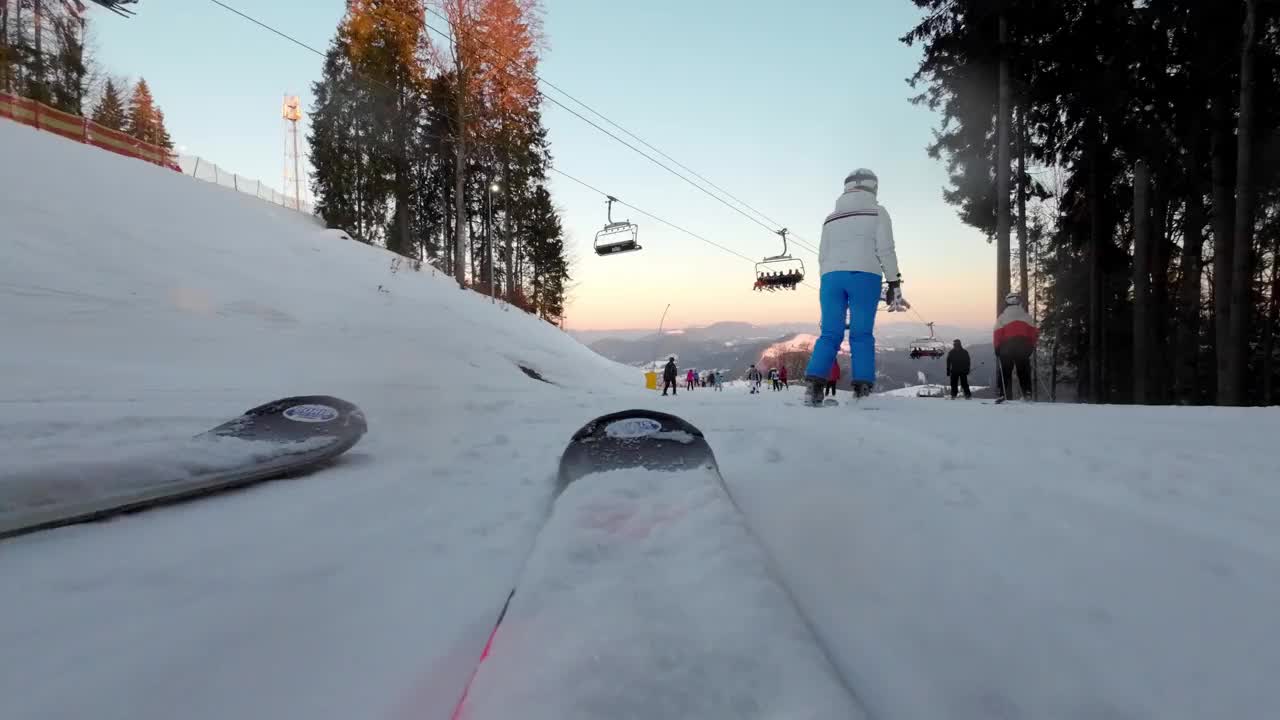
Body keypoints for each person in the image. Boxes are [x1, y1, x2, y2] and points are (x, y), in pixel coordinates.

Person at [804, 168, 907, 406]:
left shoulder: (830, 218)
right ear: (874, 187)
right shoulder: (877, 212)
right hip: (864, 276)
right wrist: (894, 281)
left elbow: (822, 254)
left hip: (830, 278)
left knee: (830, 333)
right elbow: (886, 249)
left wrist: (827, 277)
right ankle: (862, 389)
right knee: (861, 333)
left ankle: (814, 387)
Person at [994, 293, 1039, 401]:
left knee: (1005, 371)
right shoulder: (1026, 317)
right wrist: (1031, 346)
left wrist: (997, 348)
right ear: (1018, 302)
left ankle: (1002, 393)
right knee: (1023, 370)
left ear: (1007, 302)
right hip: (1023, 346)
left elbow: (997, 334)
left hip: (1006, 347)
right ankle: (1027, 393)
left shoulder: (1002, 317)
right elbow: (1034, 333)